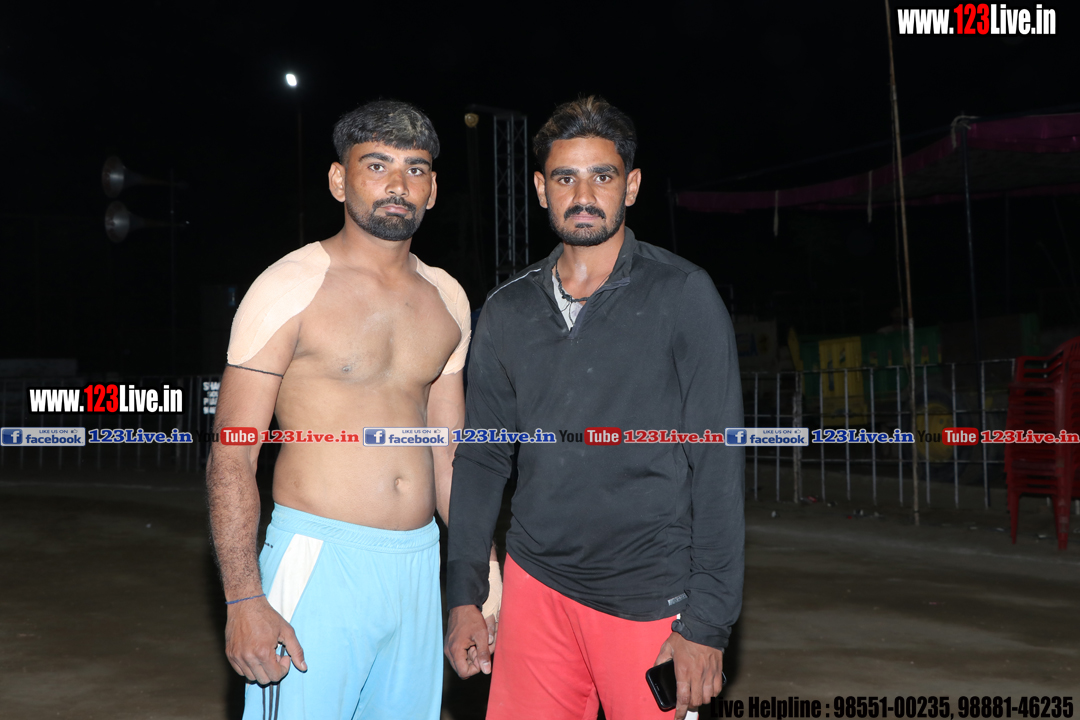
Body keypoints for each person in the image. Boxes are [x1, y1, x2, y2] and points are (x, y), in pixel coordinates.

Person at [444, 96, 745, 720]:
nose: (583, 195)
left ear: (630, 186)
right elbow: (482, 459)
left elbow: (718, 463)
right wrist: (464, 594)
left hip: (650, 596)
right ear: (540, 189)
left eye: (602, 176)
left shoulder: (683, 295)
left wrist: (708, 623)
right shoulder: (507, 309)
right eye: (565, 178)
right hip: (535, 589)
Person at [206, 99, 498, 720]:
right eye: (377, 165)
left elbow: (451, 455)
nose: (398, 185)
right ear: (340, 180)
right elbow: (232, 455)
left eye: (415, 169)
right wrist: (242, 599)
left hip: (418, 566)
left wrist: (483, 575)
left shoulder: (448, 298)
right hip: (319, 560)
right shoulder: (288, 287)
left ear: (433, 190)